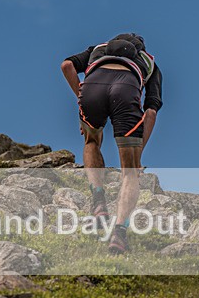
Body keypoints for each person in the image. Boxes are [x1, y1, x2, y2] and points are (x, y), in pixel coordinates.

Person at [61, 33, 163, 254]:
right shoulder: (150, 64)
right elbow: (151, 113)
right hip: (126, 88)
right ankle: (119, 233)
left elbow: (67, 66)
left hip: (92, 87)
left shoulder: (97, 49)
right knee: (130, 172)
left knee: (91, 141)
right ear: (140, 50)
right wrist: (138, 156)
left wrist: (81, 97)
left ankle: (98, 200)